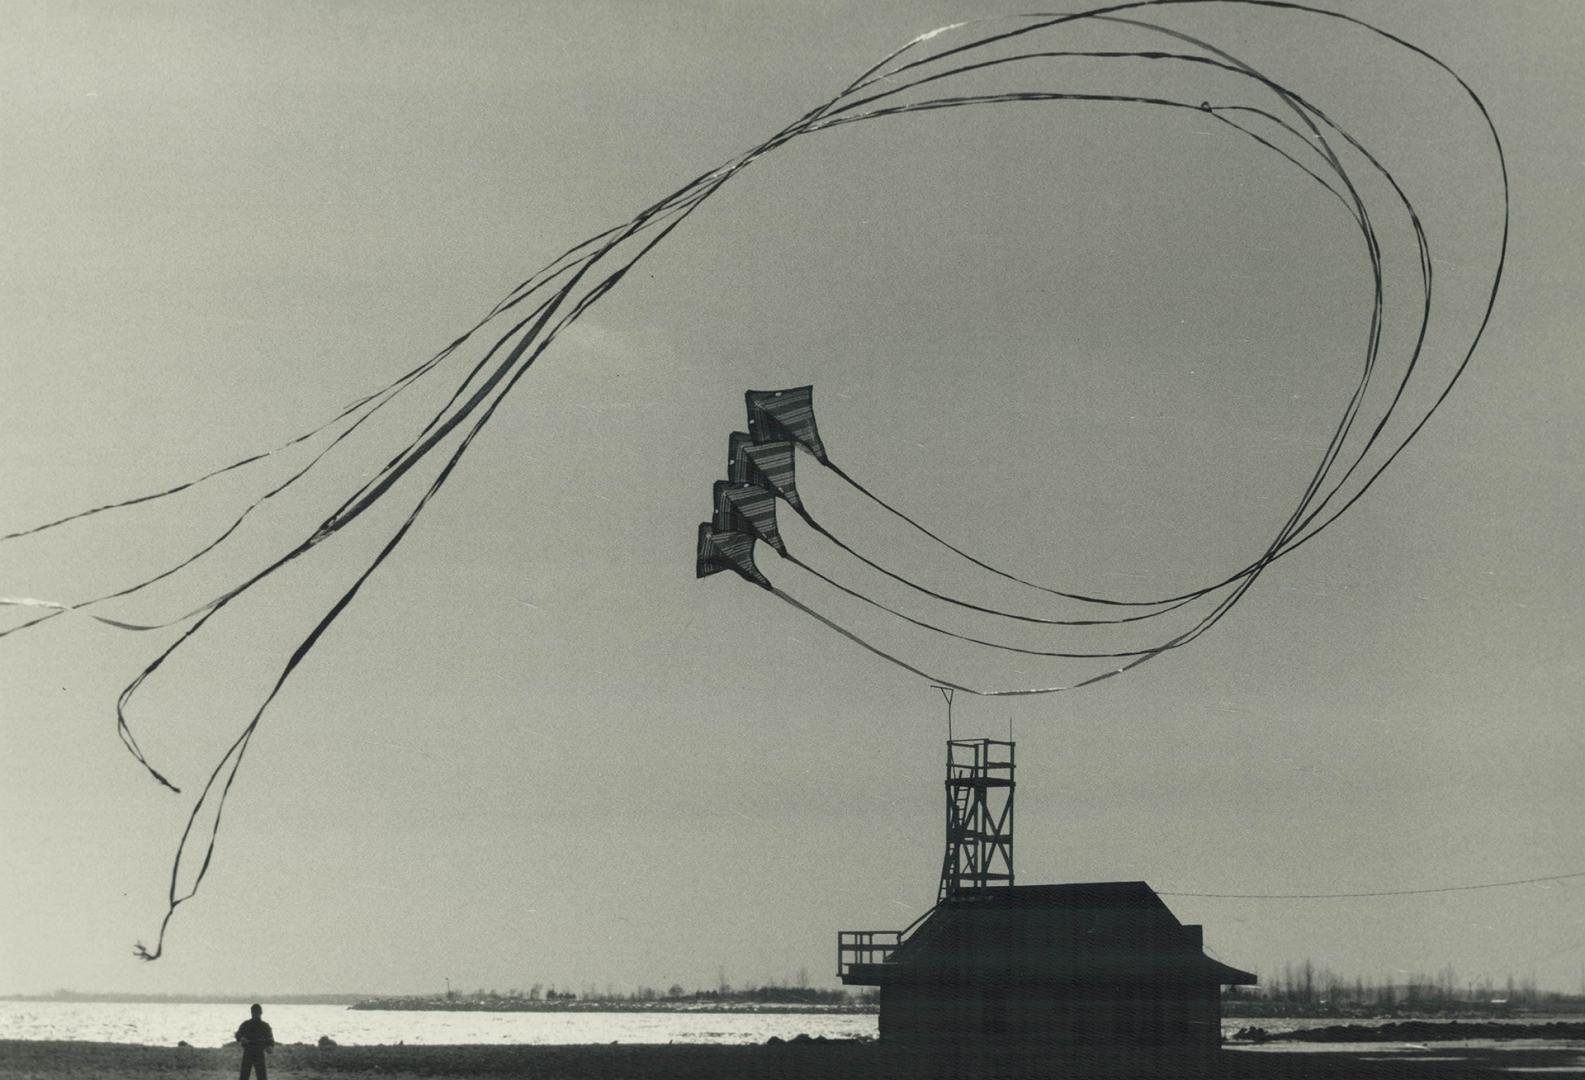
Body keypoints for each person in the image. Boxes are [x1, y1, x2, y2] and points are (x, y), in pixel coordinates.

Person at [234, 1003, 274, 1080]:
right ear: (251, 1013)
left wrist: (270, 1047)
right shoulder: (246, 1024)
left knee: (262, 1076)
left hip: (259, 1053)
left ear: (261, 1013)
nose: (256, 1014)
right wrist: (241, 1038)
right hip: (248, 1052)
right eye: (254, 1012)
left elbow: (270, 1040)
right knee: (244, 1076)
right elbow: (237, 1035)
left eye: (257, 1012)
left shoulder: (265, 1026)